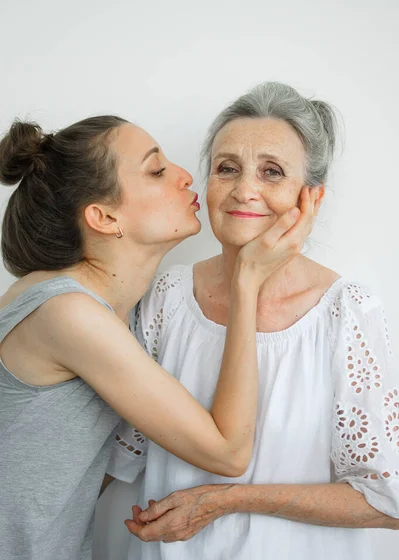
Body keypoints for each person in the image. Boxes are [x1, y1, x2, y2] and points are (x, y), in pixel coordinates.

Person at [105, 83, 399, 560]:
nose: (245, 190)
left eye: (271, 172)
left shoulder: (348, 313)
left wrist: (226, 501)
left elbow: (388, 499)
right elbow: (118, 453)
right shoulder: (165, 298)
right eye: (227, 168)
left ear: (311, 199)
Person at [0, 115, 314, 560]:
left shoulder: (77, 302)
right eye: (156, 170)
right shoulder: (69, 314)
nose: (186, 174)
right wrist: (247, 280)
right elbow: (228, 452)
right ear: (105, 217)